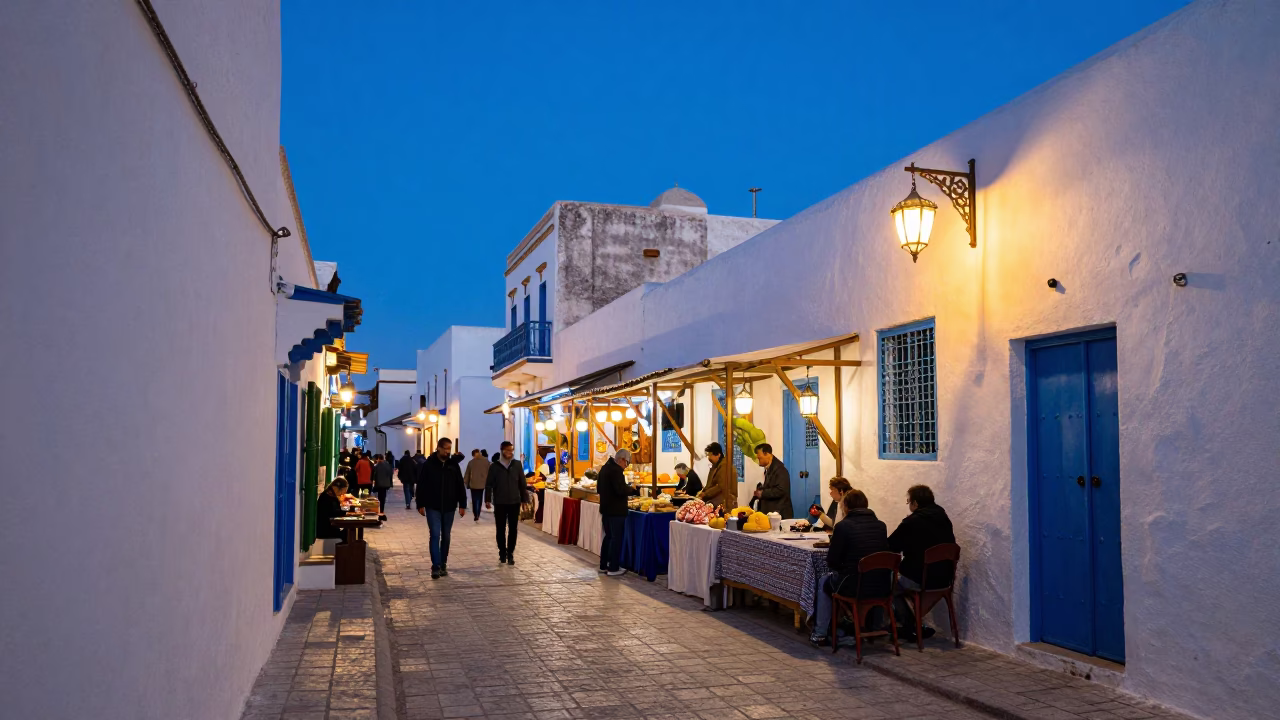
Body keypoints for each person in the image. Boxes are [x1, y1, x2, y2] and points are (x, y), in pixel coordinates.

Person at [810, 489, 890, 648]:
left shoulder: (843, 526)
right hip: (882, 585)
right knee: (875, 576)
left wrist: (843, 567)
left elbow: (832, 561)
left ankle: (820, 633)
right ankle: (874, 626)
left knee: (825, 580)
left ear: (845, 507)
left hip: (853, 585)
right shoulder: (881, 526)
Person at [888, 484, 956, 641]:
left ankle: (909, 626)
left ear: (916, 503)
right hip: (944, 579)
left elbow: (891, 547)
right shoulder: (944, 517)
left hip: (919, 579)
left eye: (909, 502)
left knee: (887, 584)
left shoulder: (911, 522)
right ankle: (912, 625)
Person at [415, 438, 467, 579]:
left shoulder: (453, 465)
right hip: (433, 505)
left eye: (449, 449)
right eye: (445, 448)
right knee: (435, 535)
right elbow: (421, 484)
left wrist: (463, 504)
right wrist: (420, 503)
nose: (447, 451)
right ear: (438, 448)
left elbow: (459, 485)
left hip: (449, 506)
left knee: (446, 536)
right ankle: (436, 565)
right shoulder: (429, 465)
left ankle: (443, 562)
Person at [597, 449, 639, 576]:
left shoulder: (605, 468)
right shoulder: (616, 471)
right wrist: (632, 489)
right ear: (621, 459)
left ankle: (603, 565)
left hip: (605, 509)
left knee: (608, 537)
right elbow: (620, 490)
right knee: (616, 539)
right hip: (616, 510)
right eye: (627, 462)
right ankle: (613, 568)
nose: (626, 466)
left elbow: (599, 488)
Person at [485, 441, 528, 565]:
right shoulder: (494, 466)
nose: (510, 453)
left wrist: (524, 500)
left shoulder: (517, 465)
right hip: (500, 502)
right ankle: (502, 552)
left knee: (513, 529)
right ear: (502, 451)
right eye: (507, 450)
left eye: (511, 450)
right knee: (500, 529)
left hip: (514, 501)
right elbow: (489, 484)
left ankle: (510, 553)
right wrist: (487, 499)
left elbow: (522, 483)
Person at [753, 443, 793, 519]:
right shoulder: (769, 470)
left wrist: (763, 493)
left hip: (779, 515)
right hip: (773, 514)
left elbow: (781, 490)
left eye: (760, 458)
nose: (759, 461)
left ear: (767, 454)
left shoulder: (780, 470)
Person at [697, 442, 735, 509]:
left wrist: (706, 493)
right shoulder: (716, 466)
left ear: (718, 455)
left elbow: (721, 486)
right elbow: (710, 484)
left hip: (723, 503)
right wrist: (703, 492)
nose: (709, 458)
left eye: (711, 455)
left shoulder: (725, 466)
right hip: (716, 502)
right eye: (708, 455)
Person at [463, 448, 491, 522]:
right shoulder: (486, 461)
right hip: (482, 483)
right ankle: (478, 513)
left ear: (473, 455)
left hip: (473, 483)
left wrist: (466, 481)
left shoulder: (471, 462)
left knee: (474, 499)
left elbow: (467, 473)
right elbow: (489, 472)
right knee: (480, 498)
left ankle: (476, 514)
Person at [372, 453, 393, 521]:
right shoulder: (387, 464)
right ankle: (381, 510)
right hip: (385, 484)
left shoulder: (377, 466)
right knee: (383, 497)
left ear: (378, 459)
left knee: (379, 498)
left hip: (379, 484)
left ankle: (380, 511)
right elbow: (390, 474)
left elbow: (374, 474)